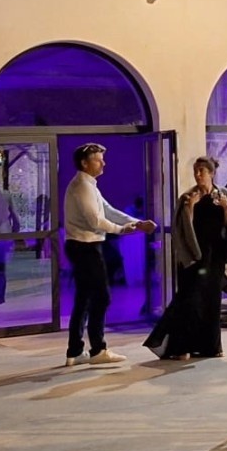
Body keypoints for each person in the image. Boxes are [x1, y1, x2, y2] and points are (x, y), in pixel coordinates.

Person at [63, 142, 156, 366]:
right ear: (85, 163)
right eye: (98, 159)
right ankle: (98, 350)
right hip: (85, 246)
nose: (103, 162)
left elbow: (109, 210)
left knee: (84, 298)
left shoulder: (89, 185)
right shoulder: (82, 186)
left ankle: (75, 351)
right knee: (102, 297)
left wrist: (137, 223)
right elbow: (96, 220)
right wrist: (123, 230)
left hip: (84, 246)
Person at [145, 156, 227, 361]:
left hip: (215, 255)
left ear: (211, 173)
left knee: (211, 301)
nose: (198, 175)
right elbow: (181, 228)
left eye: (202, 171)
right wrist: (191, 208)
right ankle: (180, 347)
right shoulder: (188, 197)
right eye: (196, 171)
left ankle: (211, 347)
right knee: (189, 301)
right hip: (194, 256)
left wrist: (226, 208)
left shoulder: (224, 195)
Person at [0, 168, 20, 305]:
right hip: (4, 234)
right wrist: (16, 232)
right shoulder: (4, 194)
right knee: (0, 267)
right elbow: (15, 216)